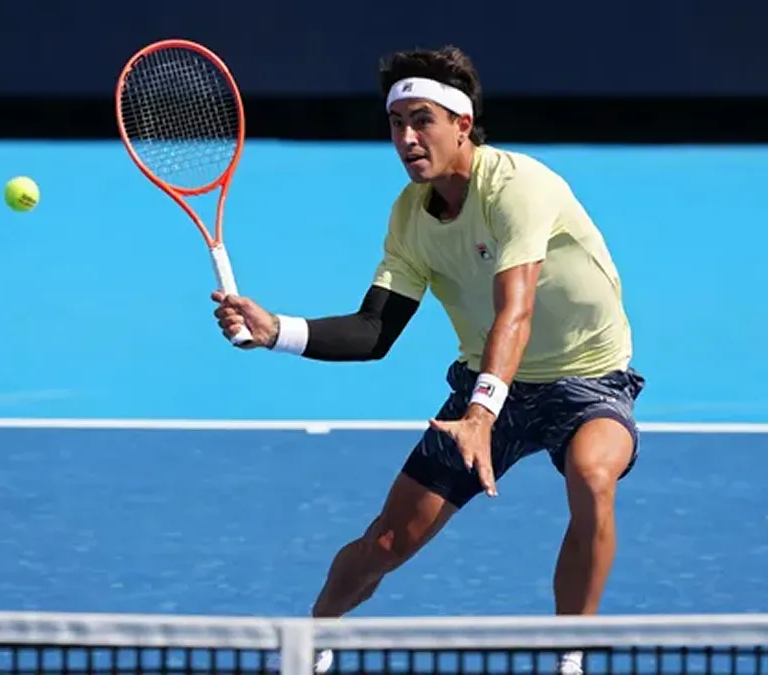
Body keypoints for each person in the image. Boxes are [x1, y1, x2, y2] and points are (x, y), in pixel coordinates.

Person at [211, 45, 644, 675]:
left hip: (589, 379)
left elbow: (514, 311)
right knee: (388, 541)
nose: (407, 138)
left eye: (423, 121)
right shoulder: (409, 217)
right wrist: (275, 329)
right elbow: (373, 331)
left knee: (592, 476)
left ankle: (571, 658)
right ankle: (310, 644)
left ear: (462, 124)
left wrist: (481, 414)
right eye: (396, 124)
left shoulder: (517, 187)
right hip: (488, 384)